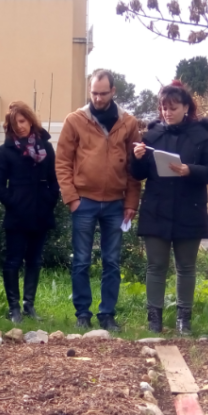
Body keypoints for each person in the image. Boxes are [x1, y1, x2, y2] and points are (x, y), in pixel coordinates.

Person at [130, 81, 208, 335]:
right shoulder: (152, 135)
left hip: (189, 209)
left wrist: (189, 170)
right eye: (163, 108)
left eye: (172, 107)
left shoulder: (201, 136)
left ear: (186, 107)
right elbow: (137, 174)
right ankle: (154, 319)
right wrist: (136, 158)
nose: (167, 113)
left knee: (186, 266)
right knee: (155, 265)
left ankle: (184, 319)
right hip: (156, 208)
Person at [56, 69, 142, 331]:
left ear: (113, 91)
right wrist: (71, 198)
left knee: (112, 261)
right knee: (81, 259)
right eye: (94, 93)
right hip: (84, 201)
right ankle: (83, 313)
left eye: (104, 93)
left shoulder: (129, 123)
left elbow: (134, 167)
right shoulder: (75, 120)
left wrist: (131, 202)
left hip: (116, 203)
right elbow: (62, 162)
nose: (99, 98)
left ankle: (107, 314)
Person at [0, 101, 59, 323]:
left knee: (35, 260)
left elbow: (53, 180)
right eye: (14, 123)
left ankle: (29, 305)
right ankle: (14, 308)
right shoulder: (6, 149)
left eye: (22, 121)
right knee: (13, 261)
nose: (19, 126)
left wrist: (50, 200)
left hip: (41, 211)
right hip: (17, 214)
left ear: (30, 120)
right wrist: (14, 202)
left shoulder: (46, 147)